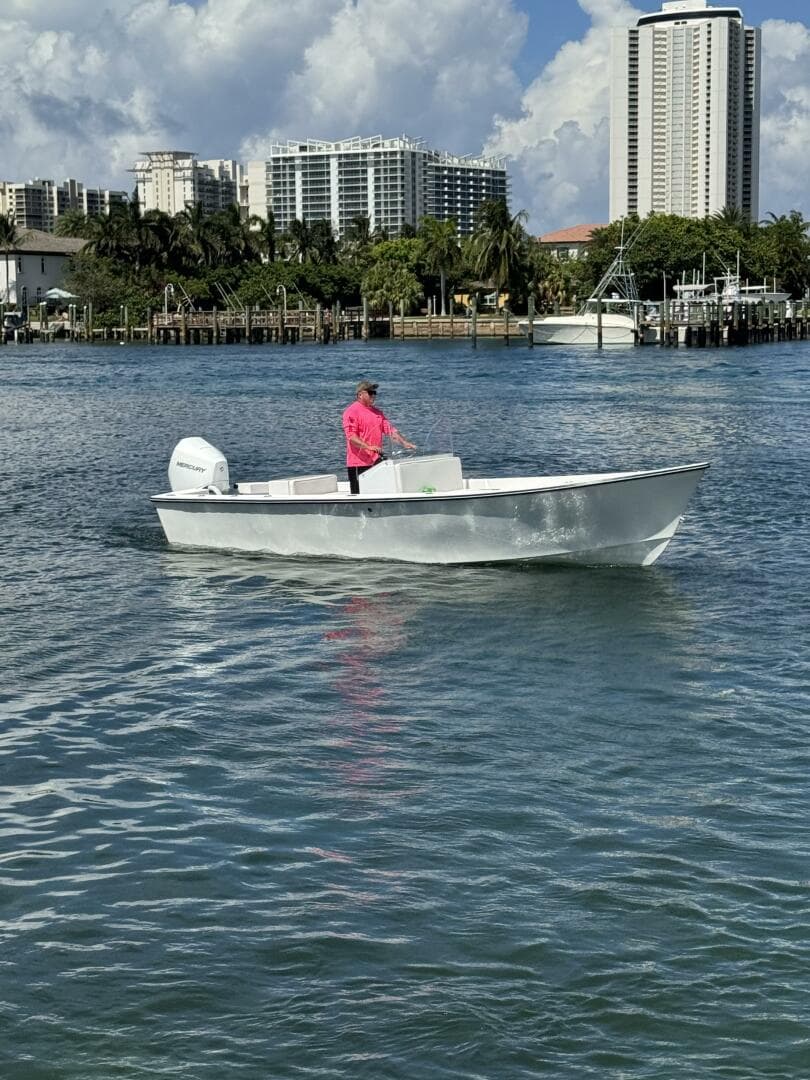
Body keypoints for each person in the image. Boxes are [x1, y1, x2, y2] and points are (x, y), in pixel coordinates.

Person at [342, 380, 416, 494]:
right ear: (360, 395)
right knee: (360, 495)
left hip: (376, 461)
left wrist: (404, 443)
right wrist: (368, 447)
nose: (373, 395)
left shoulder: (378, 413)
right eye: (370, 392)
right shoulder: (351, 412)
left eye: (374, 393)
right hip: (358, 464)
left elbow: (390, 431)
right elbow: (351, 437)